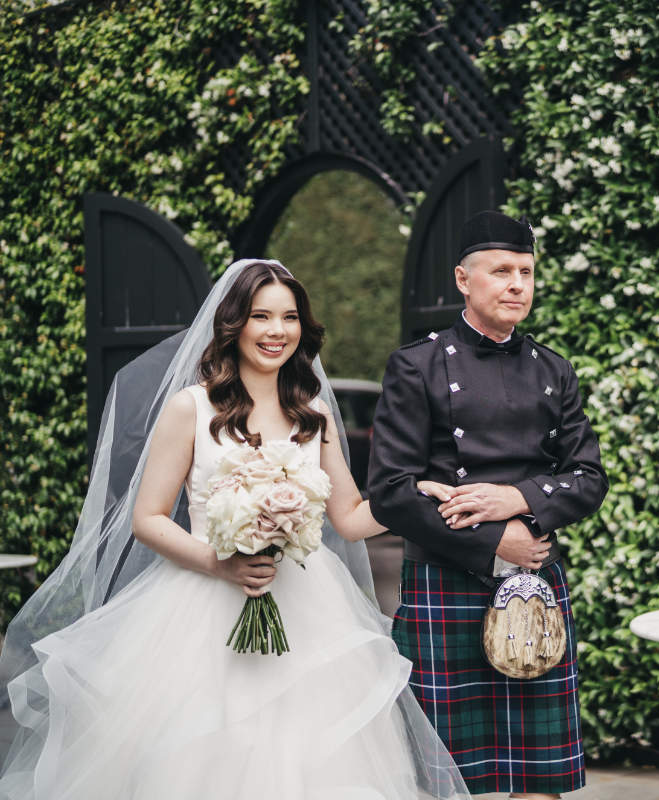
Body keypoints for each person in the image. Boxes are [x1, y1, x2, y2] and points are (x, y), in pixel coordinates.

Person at [0, 260, 468, 799]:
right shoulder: (191, 408)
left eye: (289, 317)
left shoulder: (311, 410)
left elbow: (349, 518)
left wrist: (409, 498)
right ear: (232, 324)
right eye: (260, 316)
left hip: (310, 608)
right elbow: (147, 518)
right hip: (202, 606)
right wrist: (220, 563)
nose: (277, 331)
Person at [367, 211, 608, 799]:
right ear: (463, 279)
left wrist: (516, 498)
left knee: (538, 772)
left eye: (526, 271)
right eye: (501, 271)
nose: (517, 284)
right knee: (446, 773)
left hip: (533, 581)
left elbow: (589, 477)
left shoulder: (554, 370)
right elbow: (391, 492)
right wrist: (495, 540)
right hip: (445, 579)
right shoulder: (416, 364)